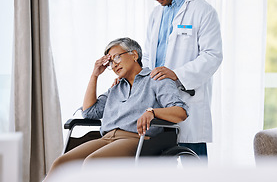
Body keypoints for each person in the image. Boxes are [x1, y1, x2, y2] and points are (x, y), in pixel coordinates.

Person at [44, 37, 188, 181]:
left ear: (134, 55)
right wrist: (95, 75)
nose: (114, 65)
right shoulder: (116, 88)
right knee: (62, 164)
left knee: (92, 164)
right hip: (106, 138)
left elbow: (181, 112)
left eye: (117, 57)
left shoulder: (156, 79)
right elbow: (89, 112)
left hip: (136, 139)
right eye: (111, 62)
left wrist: (153, 112)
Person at [139, 0, 223, 158]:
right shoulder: (156, 15)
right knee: (159, 168)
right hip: (159, 102)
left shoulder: (203, 11)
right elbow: (149, 56)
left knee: (194, 166)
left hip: (187, 98)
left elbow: (213, 56)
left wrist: (176, 74)